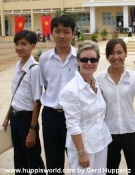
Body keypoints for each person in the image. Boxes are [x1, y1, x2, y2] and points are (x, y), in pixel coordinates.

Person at [59, 41, 112, 175]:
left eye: (93, 59)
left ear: (98, 61)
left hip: (101, 143)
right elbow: (73, 125)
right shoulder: (71, 90)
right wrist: (81, 153)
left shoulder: (95, 82)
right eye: (84, 59)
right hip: (83, 147)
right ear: (77, 61)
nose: (89, 63)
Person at [97, 39, 135, 175]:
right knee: (110, 171)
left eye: (120, 52)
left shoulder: (133, 77)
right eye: (111, 53)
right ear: (107, 56)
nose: (116, 57)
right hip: (109, 132)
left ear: (125, 54)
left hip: (130, 130)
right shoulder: (99, 79)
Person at [2, 30, 45, 174]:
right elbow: (16, 93)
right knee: (19, 158)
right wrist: (8, 116)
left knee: (32, 158)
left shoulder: (34, 69)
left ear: (33, 46)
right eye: (17, 44)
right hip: (15, 118)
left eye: (23, 44)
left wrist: (32, 130)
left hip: (27, 119)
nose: (19, 47)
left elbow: (37, 101)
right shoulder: (18, 64)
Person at [39, 15, 78, 174]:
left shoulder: (81, 58)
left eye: (66, 32)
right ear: (51, 32)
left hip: (74, 116)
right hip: (51, 117)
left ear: (73, 34)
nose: (62, 36)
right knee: (54, 164)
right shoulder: (44, 58)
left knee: (78, 161)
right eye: (58, 31)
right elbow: (46, 86)